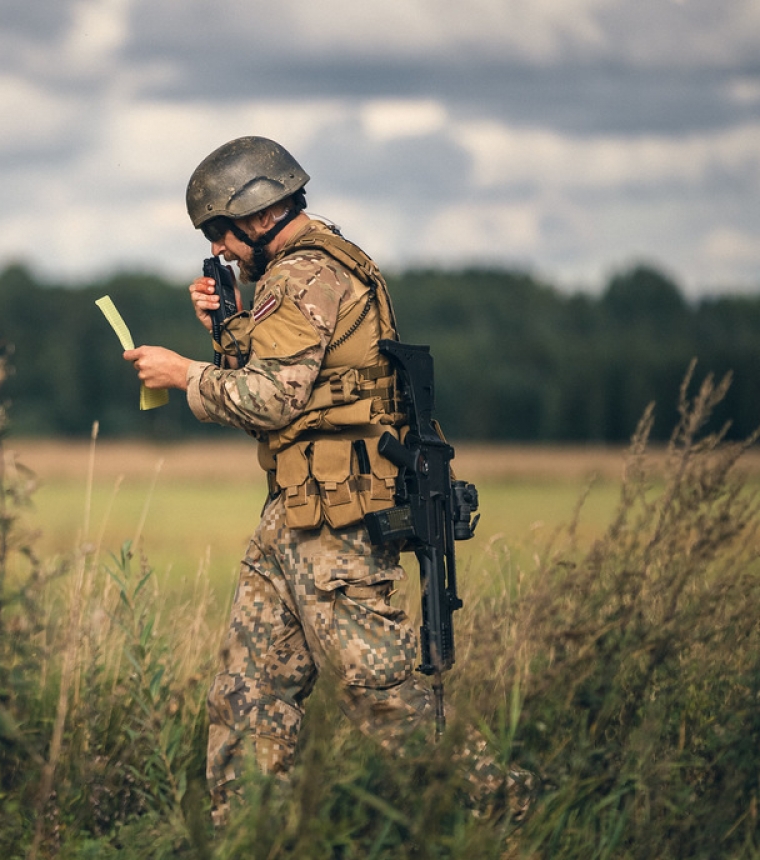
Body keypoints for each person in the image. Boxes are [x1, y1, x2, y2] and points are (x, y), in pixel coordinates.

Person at [122, 136, 519, 823]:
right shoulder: (315, 263)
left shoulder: (301, 274)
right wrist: (229, 325)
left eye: (219, 231)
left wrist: (184, 373)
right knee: (249, 693)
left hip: (337, 518)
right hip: (298, 512)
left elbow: (270, 399)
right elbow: (288, 385)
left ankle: (505, 816)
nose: (218, 249)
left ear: (255, 216)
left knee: (382, 692)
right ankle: (249, 835)